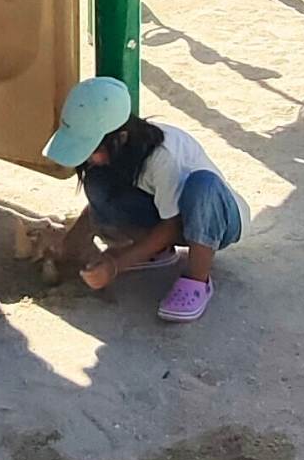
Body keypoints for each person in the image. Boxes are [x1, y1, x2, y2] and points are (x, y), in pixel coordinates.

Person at [42, 77, 251, 322]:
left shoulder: (163, 156)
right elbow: (105, 203)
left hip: (217, 220)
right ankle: (158, 253)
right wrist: (70, 244)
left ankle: (197, 280)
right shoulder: (122, 151)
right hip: (172, 215)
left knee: (202, 185)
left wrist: (116, 264)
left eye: (91, 150)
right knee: (98, 182)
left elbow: (171, 224)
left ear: (119, 138)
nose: (87, 159)